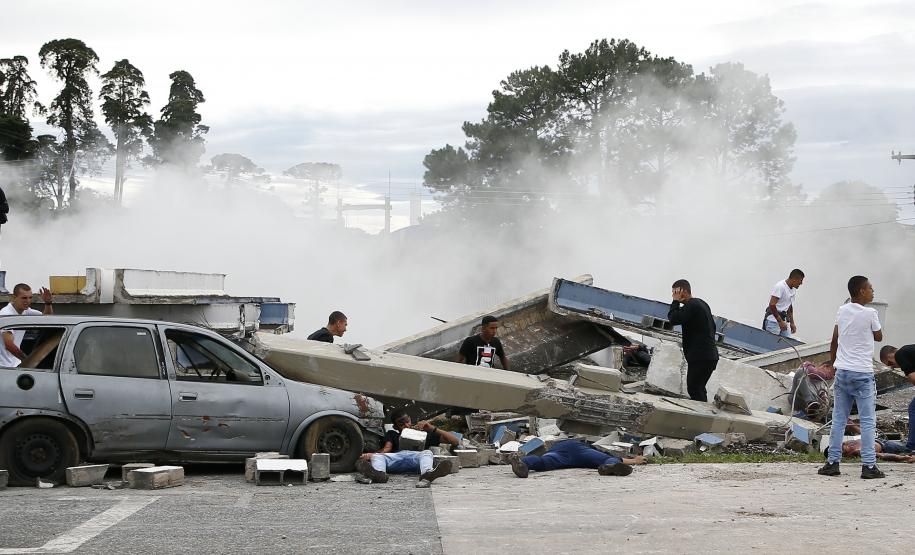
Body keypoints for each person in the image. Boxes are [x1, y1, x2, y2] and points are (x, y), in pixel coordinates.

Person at [819, 275, 884, 479]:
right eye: (870, 288)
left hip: (843, 372)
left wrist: (835, 364)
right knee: (867, 421)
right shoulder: (871, 313)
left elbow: (834, 340)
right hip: (862, 373)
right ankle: (869, 466)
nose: (873, 291)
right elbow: (879, 336)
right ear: (861, 291)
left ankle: (832, 463)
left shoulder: (842, 310)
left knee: (838, 419)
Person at [356, 407, 458, 488]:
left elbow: (454, 441)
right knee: (378, 457)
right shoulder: (392, 434)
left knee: (427, 453)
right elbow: (387, 449)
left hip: (416, 460)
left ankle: (427, 474)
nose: (406, 425)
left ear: (410, 419)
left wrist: (432, 428)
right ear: (396, 427)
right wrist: (371, 455)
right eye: (401, 424)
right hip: (397, 459)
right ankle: (378, 474)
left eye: (407, 421)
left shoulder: (424, 434)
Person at [667, 279, 719, 402]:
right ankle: (704, 414)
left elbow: (674, 318)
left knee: (694, 389)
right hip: (708, 356)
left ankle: (703, 418)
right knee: (699, 388)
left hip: (701, 357)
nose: (673, 295)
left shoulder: (693, 305)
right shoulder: (701, 304)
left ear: (683, 291)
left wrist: (675, 302)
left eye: (675, 292)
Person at [510, 439, 647, 478]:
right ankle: (609, 468)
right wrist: (635, 460)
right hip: (582, 451)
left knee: (544, 461)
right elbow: (620, 460)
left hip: (559, 450)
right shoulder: (593, 448)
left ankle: (523, 463)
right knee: (607, 460)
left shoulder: (556, 445)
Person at [0, 283, 53, 368]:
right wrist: (28, 361)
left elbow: (47, 319)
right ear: (14, 298)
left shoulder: (26, 311)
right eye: (24, 298)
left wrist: (48, 303)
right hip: (4, 366)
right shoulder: (6, 314)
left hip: (14, 364)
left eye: (30, 298)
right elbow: (9, 344)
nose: (28, 301)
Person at [879, 344, 915, 452]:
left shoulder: (900, 354)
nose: (893, 367)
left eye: (890, 364)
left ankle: (911, 447)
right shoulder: (909, 352)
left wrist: (908, 376)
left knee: (913, 409)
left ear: (890, 355)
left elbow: (914, 379)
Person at [763, 269, 805, 337]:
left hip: (783, 320)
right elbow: (772, 304)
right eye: (800, 280)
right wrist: (780, 322)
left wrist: (792, 323)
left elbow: (789, 306)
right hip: (773, 321)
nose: (801, 283)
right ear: (794, 279)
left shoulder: (793, 289)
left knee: (787, 342)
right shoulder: (780, 287)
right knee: (773, 343)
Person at [832, 438, 915, 462]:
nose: (850, 446)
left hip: (880, 440)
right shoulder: (857, 451)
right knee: (909, 447)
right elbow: (881, 456)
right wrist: (900, 458)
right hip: (886, 446)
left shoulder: (847, 443)